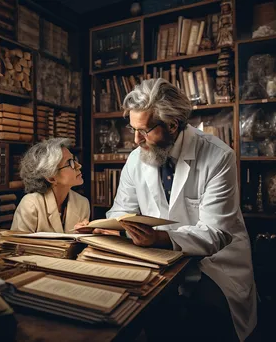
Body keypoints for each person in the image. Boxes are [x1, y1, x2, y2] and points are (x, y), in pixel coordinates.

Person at [101, 78, 256, 341]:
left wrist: (160, 237)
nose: (136, 140)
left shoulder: (218, 156)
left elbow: (215, 233)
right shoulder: (136, 158)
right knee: (144, 311)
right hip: (158, 258)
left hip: (215, 262)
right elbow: (121, 211)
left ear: (173, 125)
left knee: (206, 317)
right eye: (132, 129)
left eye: (145, 130)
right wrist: (107, 230)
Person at [11, 138, 90, 233]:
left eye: (74, 160)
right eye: (70, 163)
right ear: (51, 178)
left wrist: (83, 236)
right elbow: (18, 245)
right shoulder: (30, 204)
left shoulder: (82, 203)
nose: (78, 165)